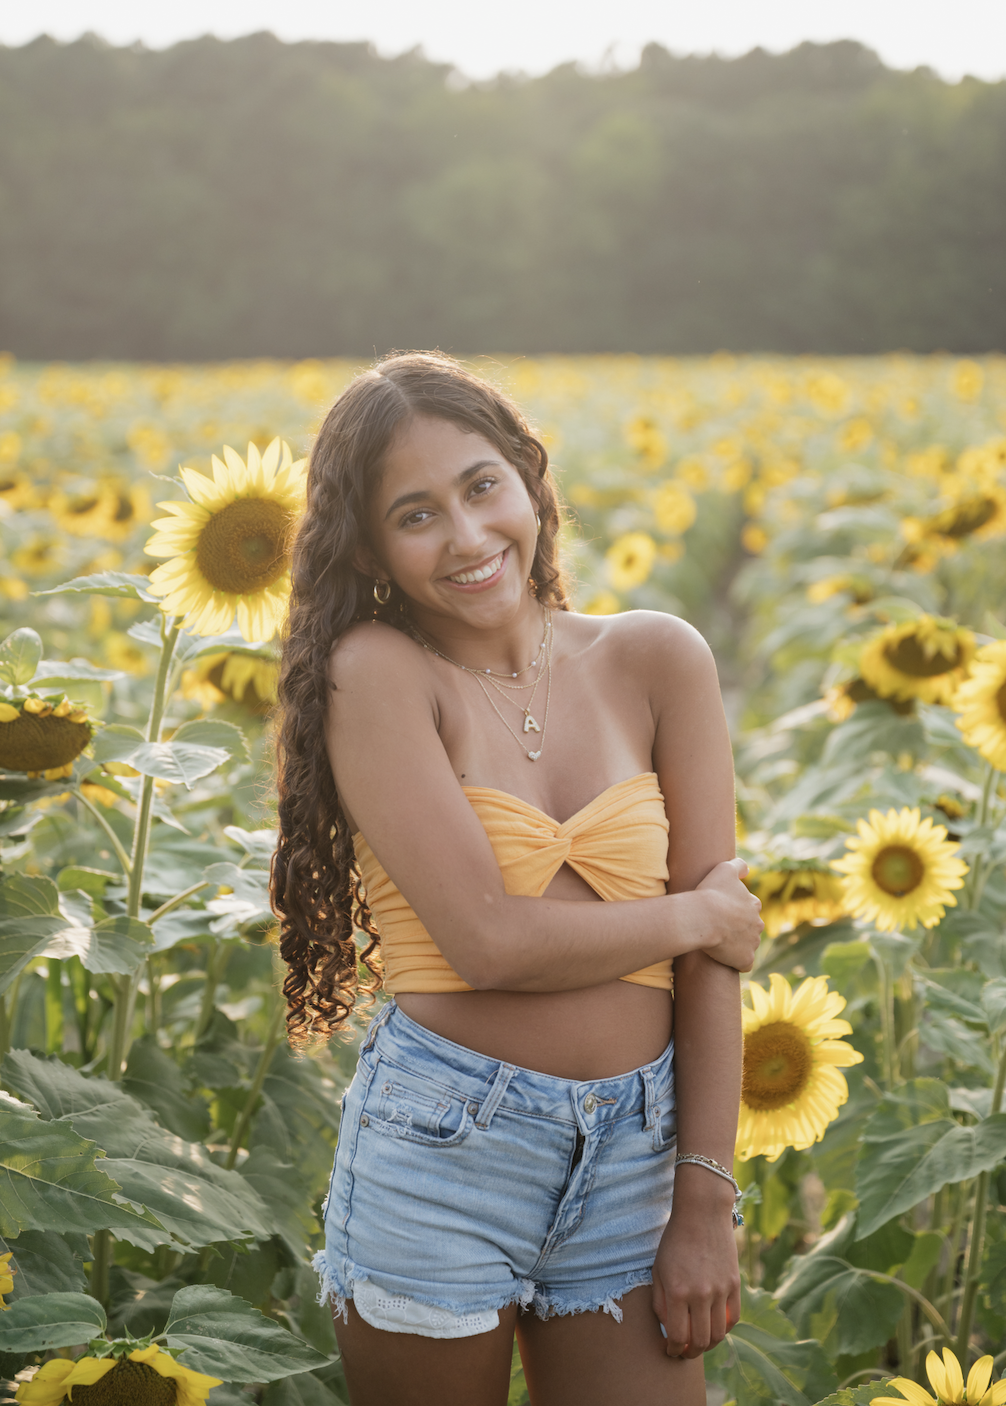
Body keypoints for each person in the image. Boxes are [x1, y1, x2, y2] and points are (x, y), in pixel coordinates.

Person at [272, 351, 763, 1406]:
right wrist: (697, 911)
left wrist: (702, 1196)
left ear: (528, 476)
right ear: (369, 546)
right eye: (415, 514)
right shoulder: (379, 672)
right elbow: (488, 939)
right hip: (443, 1150)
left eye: (480, 485)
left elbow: (715, 970)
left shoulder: (657, 658)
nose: (464, 535)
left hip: (641, 1147)